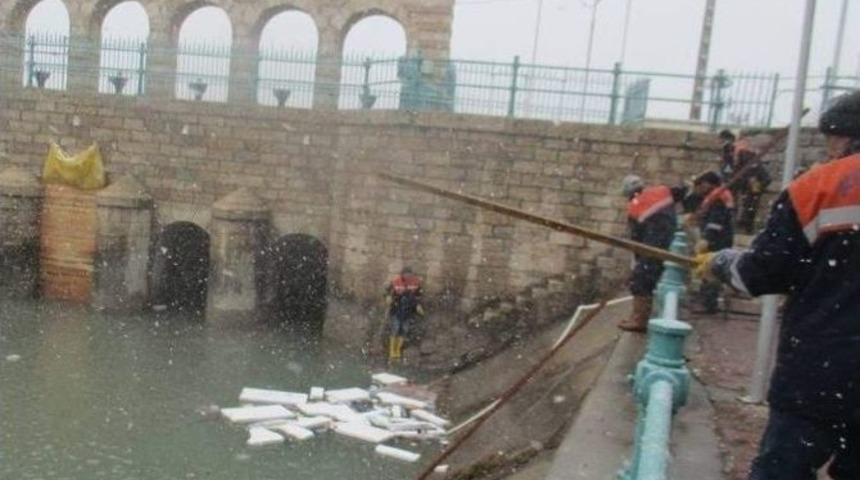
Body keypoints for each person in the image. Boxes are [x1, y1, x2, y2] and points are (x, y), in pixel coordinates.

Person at [696, 90, 860, 479]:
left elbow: (763, 272)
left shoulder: (820, 186)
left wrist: (721, 262)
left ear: (843, 135)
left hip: (822, 370)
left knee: (782, 470)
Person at [618, 175, 678, 332]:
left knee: (640, 281)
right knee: (648, 280)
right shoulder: (662, 191)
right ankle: (638, 317)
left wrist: (638, 262)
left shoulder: (634, 207)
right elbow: (682, 192)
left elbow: (636, 239)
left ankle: (639, 321)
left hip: (651, 247)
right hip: (666, 243)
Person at [691, 171, 734, 314]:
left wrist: (706, 239)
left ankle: (708, 303)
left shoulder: (717, 199)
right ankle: (707, 299)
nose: (700, 190)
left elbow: (715, 222)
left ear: (706, 184)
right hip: (722, 238)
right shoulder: (719, 195)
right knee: (709, 269)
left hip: (718, 240)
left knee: (710, 269)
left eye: (700, 185)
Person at [384, 267, 424, 360]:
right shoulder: (396, 282)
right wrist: (388, 297)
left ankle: (397, 350)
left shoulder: (415, 283)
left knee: (404, 330)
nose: (408, 276)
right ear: (402, 274)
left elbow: (418, 295)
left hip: (408, 310)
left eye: (410, 274)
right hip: (397, 309)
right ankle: (392, 351)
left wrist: (418, 305)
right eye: (406, 274)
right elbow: (387, 291)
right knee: (395, 329)